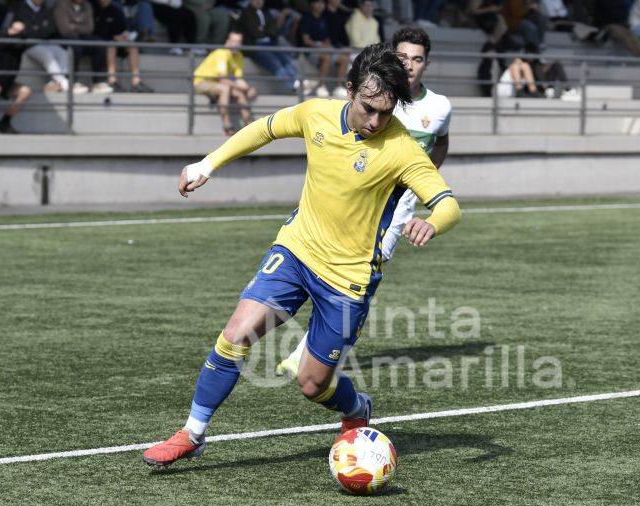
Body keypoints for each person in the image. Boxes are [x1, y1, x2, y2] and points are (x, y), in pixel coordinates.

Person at [141, 42, 461, 467]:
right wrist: (208, 164)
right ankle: (193, 433)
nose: (376, 120)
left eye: (386, 112)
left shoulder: (401, 148)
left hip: (348, 280)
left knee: (312, 385)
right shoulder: (317, 114)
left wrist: (432, 222)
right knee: (235, 335)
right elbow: (263, 128)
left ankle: (356, 410)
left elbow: (449, 204)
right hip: (295, 250)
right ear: (350, 91)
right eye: (369, 107)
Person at [274, 26, 452, 377]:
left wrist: (423, 178)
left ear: (427, 64)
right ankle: (319, 346)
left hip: (394, 210)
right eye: (403, 58)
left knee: (366, 272)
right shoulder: (377, 96)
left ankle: (310, 350)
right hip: (351, 203)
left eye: (417, 59)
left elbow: (441, 142)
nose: (410, 65)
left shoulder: (440, 106)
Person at [10, 0, 82, 93]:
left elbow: (50, 28)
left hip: (44, 42)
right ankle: (65, 83)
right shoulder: (21, 6)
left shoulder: (44, 7)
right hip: (28, 45)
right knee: (48, 55)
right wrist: (40, 29)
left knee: (62, 52)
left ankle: (56, 83)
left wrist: (37, 29)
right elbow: (27, 31)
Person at [193, 30, 257, 135]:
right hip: (201, 82)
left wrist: (248, 89)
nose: (235, 44)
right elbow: (222, 79)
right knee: (225, 88)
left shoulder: (239, 55)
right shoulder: (221, 53)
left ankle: (248, 125)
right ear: (227, 41)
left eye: (238, 41)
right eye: (233, 41)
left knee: (240, 93)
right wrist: (245, 88)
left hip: (217, 83)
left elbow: (238, 79)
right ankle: (227, 125)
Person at [234, 0, 300, 92]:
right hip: (255, 46)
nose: (258, 1)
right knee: (275, 63)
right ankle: (293, 86)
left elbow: (274, 29)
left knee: (286, 59)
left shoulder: (266, 12)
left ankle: (299, 82)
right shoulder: (246, 13)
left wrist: (263, 30)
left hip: (270, 44)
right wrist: (266, 31)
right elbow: (254, 32)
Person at [0, 21, 32, 134]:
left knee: (25, 91)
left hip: (5, 84)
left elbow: (31, 38)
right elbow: (10, 40)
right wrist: (19, 36)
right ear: (9, 29)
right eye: (15, 30)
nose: (17, 35)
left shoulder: (20, 47)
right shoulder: (1, 39)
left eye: (21, 32)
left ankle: (4, 122)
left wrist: (23, 37)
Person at [93, 0, 154, 91]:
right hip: (102, 43)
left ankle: (136, 82)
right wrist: (112, 36)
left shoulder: (115, 10)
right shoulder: (93, 9)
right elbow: (93, 30)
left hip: (117, 41)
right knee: (111, 45)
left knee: (132, 46)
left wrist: (122, 36)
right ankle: (112, 80)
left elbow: (122, 28)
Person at [53, 0, 112, 93]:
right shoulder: (61, 3)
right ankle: (71, 81)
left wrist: (74, 26)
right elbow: (64, 29)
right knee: (75, 45)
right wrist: (79, 27)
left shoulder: (87, 5)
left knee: (99, 44)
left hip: (81, 37)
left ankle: (98, 82)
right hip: (63, 38)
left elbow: (89, 28)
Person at [297, 0, 350, 97]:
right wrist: (319, 45)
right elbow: (306, 40)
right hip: (309, 51)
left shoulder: (323, 18)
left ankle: (338, 87)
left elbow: (326, 38)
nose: (320, 5)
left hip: (324, 49)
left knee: (344, 58)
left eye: (322, 3)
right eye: (318, 3)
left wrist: (328, 45)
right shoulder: (307, 17)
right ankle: (321, 86)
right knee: (326, 56)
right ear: (312, 4)